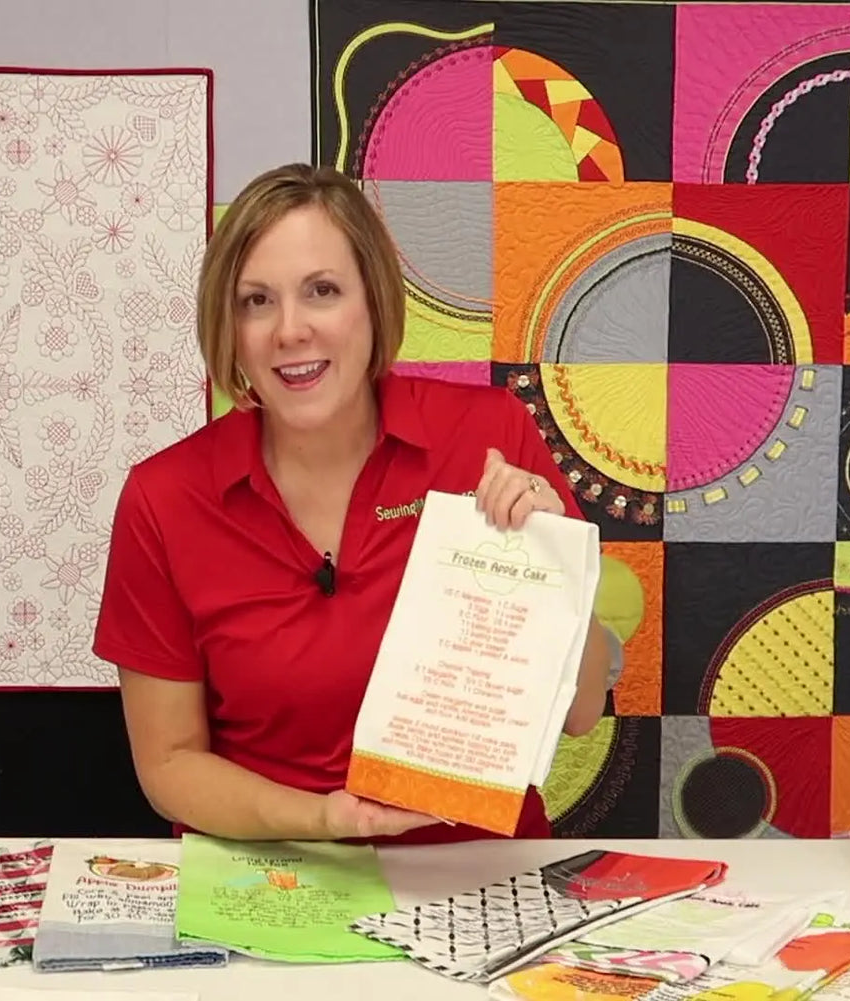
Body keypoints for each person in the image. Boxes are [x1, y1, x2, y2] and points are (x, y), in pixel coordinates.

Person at [92, 162, 620, 845]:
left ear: (373, 300)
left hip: (475, 869)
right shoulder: (164, 498)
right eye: (256, 300)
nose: (290, 330)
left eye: (322, 291)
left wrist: (555, 562)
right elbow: (169, 763)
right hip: (270, 871)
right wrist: (326, 819)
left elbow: (580, 712)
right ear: (229, 326)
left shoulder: (489, 437)